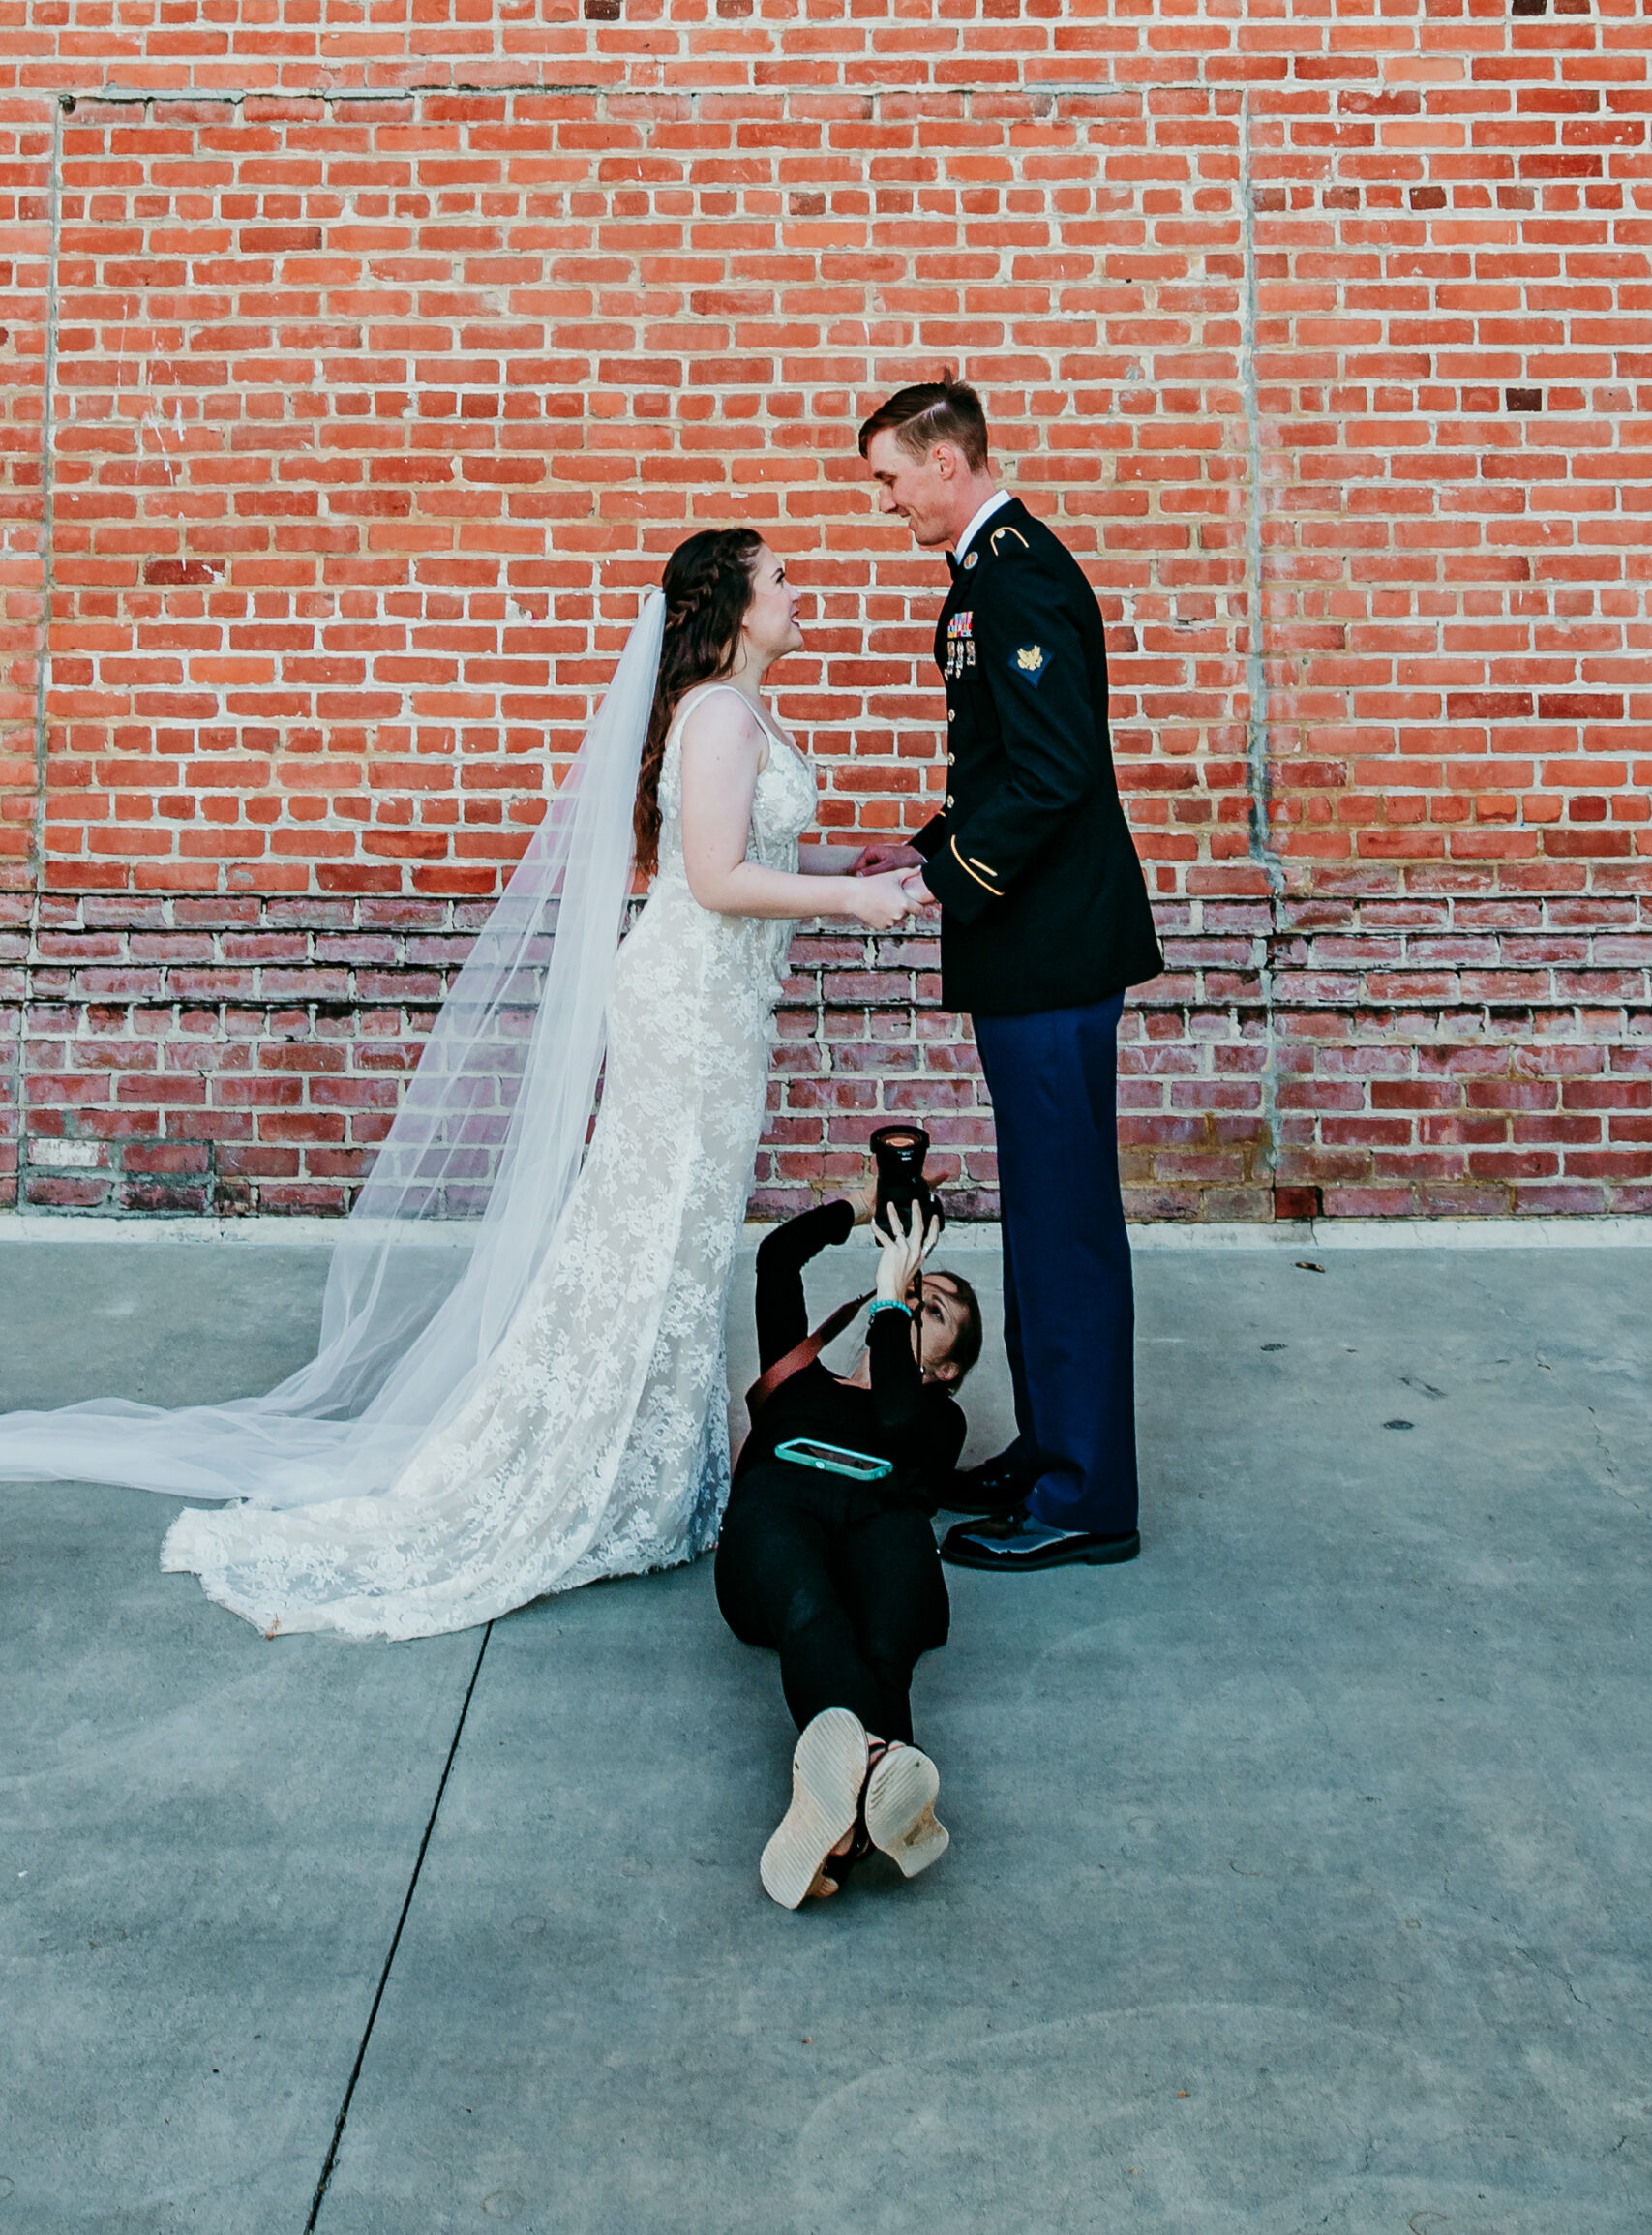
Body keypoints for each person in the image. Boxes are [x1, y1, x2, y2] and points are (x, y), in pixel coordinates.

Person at [0, 531, 929, 1641]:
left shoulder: (745, 712)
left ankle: (650, 1472)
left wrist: (852, 863)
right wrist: (850, 906)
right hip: (686, 1012)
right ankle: (579, 1472)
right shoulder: (720, 715)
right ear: (731, 606)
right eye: (778, 578)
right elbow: (720, 881)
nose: (796, 590)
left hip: (724, 1016)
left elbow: (741, 852)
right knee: (649, 1238)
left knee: (680, 1241)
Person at [854, 378, 1163, 1573]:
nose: (886, 502)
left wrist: (947, 879)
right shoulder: (990, 572)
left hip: (1052, 952)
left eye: (890, 477)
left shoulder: (1017, 577)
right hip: (1035, 948)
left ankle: (1085, 1497)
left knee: (1065, 1225)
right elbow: (998, 766)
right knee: (1043, 1217)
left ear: (948, 461)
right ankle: (1053, 1452)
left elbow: (1053, 775)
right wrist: (924, 845)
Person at [715, 1170, 981, 1907]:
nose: (913, 1302)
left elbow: (893, 1415)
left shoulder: (938, 1418)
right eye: (914, 1291)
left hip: (878, 1525)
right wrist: (862, 1203)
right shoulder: (801, 1381)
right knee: (812, 1614)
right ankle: (883, 1781)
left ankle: (839, 1819)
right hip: (779, 1516)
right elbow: (777, 1258)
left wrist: (891, 1296)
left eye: (932, 1310)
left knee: (885, 1645)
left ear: (947, 1367)